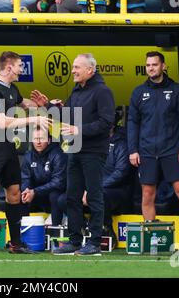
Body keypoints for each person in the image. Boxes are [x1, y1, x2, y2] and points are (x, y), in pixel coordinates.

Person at [31, 53, 115, 256]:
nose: (73, 71)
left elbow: (106, 122)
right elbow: (65, 116)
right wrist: (48, 106)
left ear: (90, 70)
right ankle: (75, 241)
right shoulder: (76, 91)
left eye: (77, 67)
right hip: (74, 150)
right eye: (73, 67)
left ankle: (94, 243)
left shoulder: (103, 91)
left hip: (94, 152)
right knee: (71, 196)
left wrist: (79, 130)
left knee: (94, 196)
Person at [0, 51, 51, 254]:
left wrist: (42, 105)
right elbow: (3, 121)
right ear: (8, 67)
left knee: (14, 194)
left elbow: (23, 104)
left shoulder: (12, 88)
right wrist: (34, 119)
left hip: (8, 147)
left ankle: (16, 244)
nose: (22, 70)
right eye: (20, 66)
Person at [127, 51, 179, 253]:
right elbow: (132, 123)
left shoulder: (177, 90)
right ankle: (152, 239)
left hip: (172, 150)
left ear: (164, 66)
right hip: (147, 151)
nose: (151, 68)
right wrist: (133, 150)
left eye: (155, 64)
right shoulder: (138, 92)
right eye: (148, 65)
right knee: (148, 194)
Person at [20, 126, 67, 226]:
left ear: (49, 140)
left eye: (41, 138)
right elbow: (25, 179)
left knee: (55, 195)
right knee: (22, 195)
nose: (38, 142)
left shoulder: (58, 154)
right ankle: (23, 231)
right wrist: (26, 191)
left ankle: (55, 231)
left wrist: (35, 191)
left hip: (54, 192)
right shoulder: (28, 156)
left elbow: (58, 182)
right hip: (37, 193)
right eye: (36, 139)